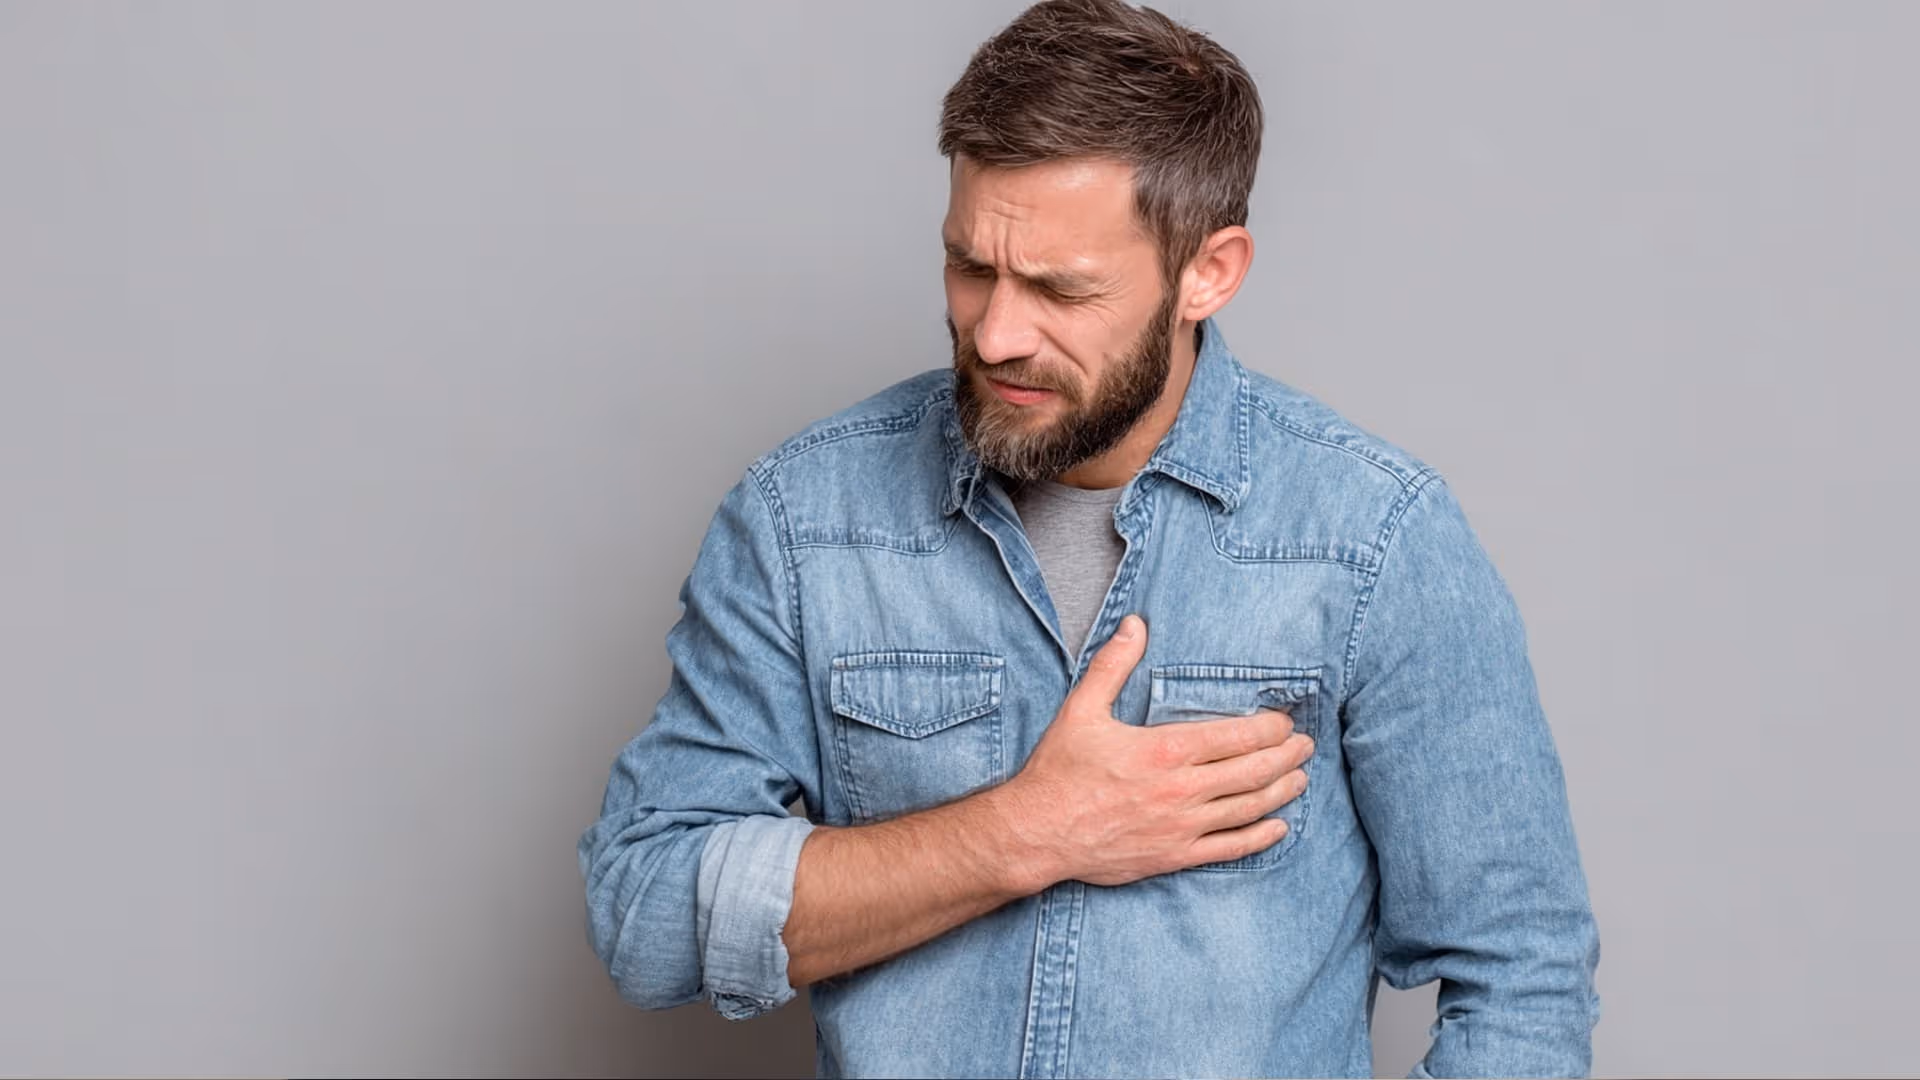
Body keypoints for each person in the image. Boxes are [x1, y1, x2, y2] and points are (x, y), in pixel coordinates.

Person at [578, 0, 1601, 1076]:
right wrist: (1024, 832)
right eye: (971, 268)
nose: (995, 334)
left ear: (1209, 272)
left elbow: (1520, 976)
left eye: (1061, 288)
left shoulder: (1373, 540)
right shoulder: (806, 520)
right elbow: (645, 912)